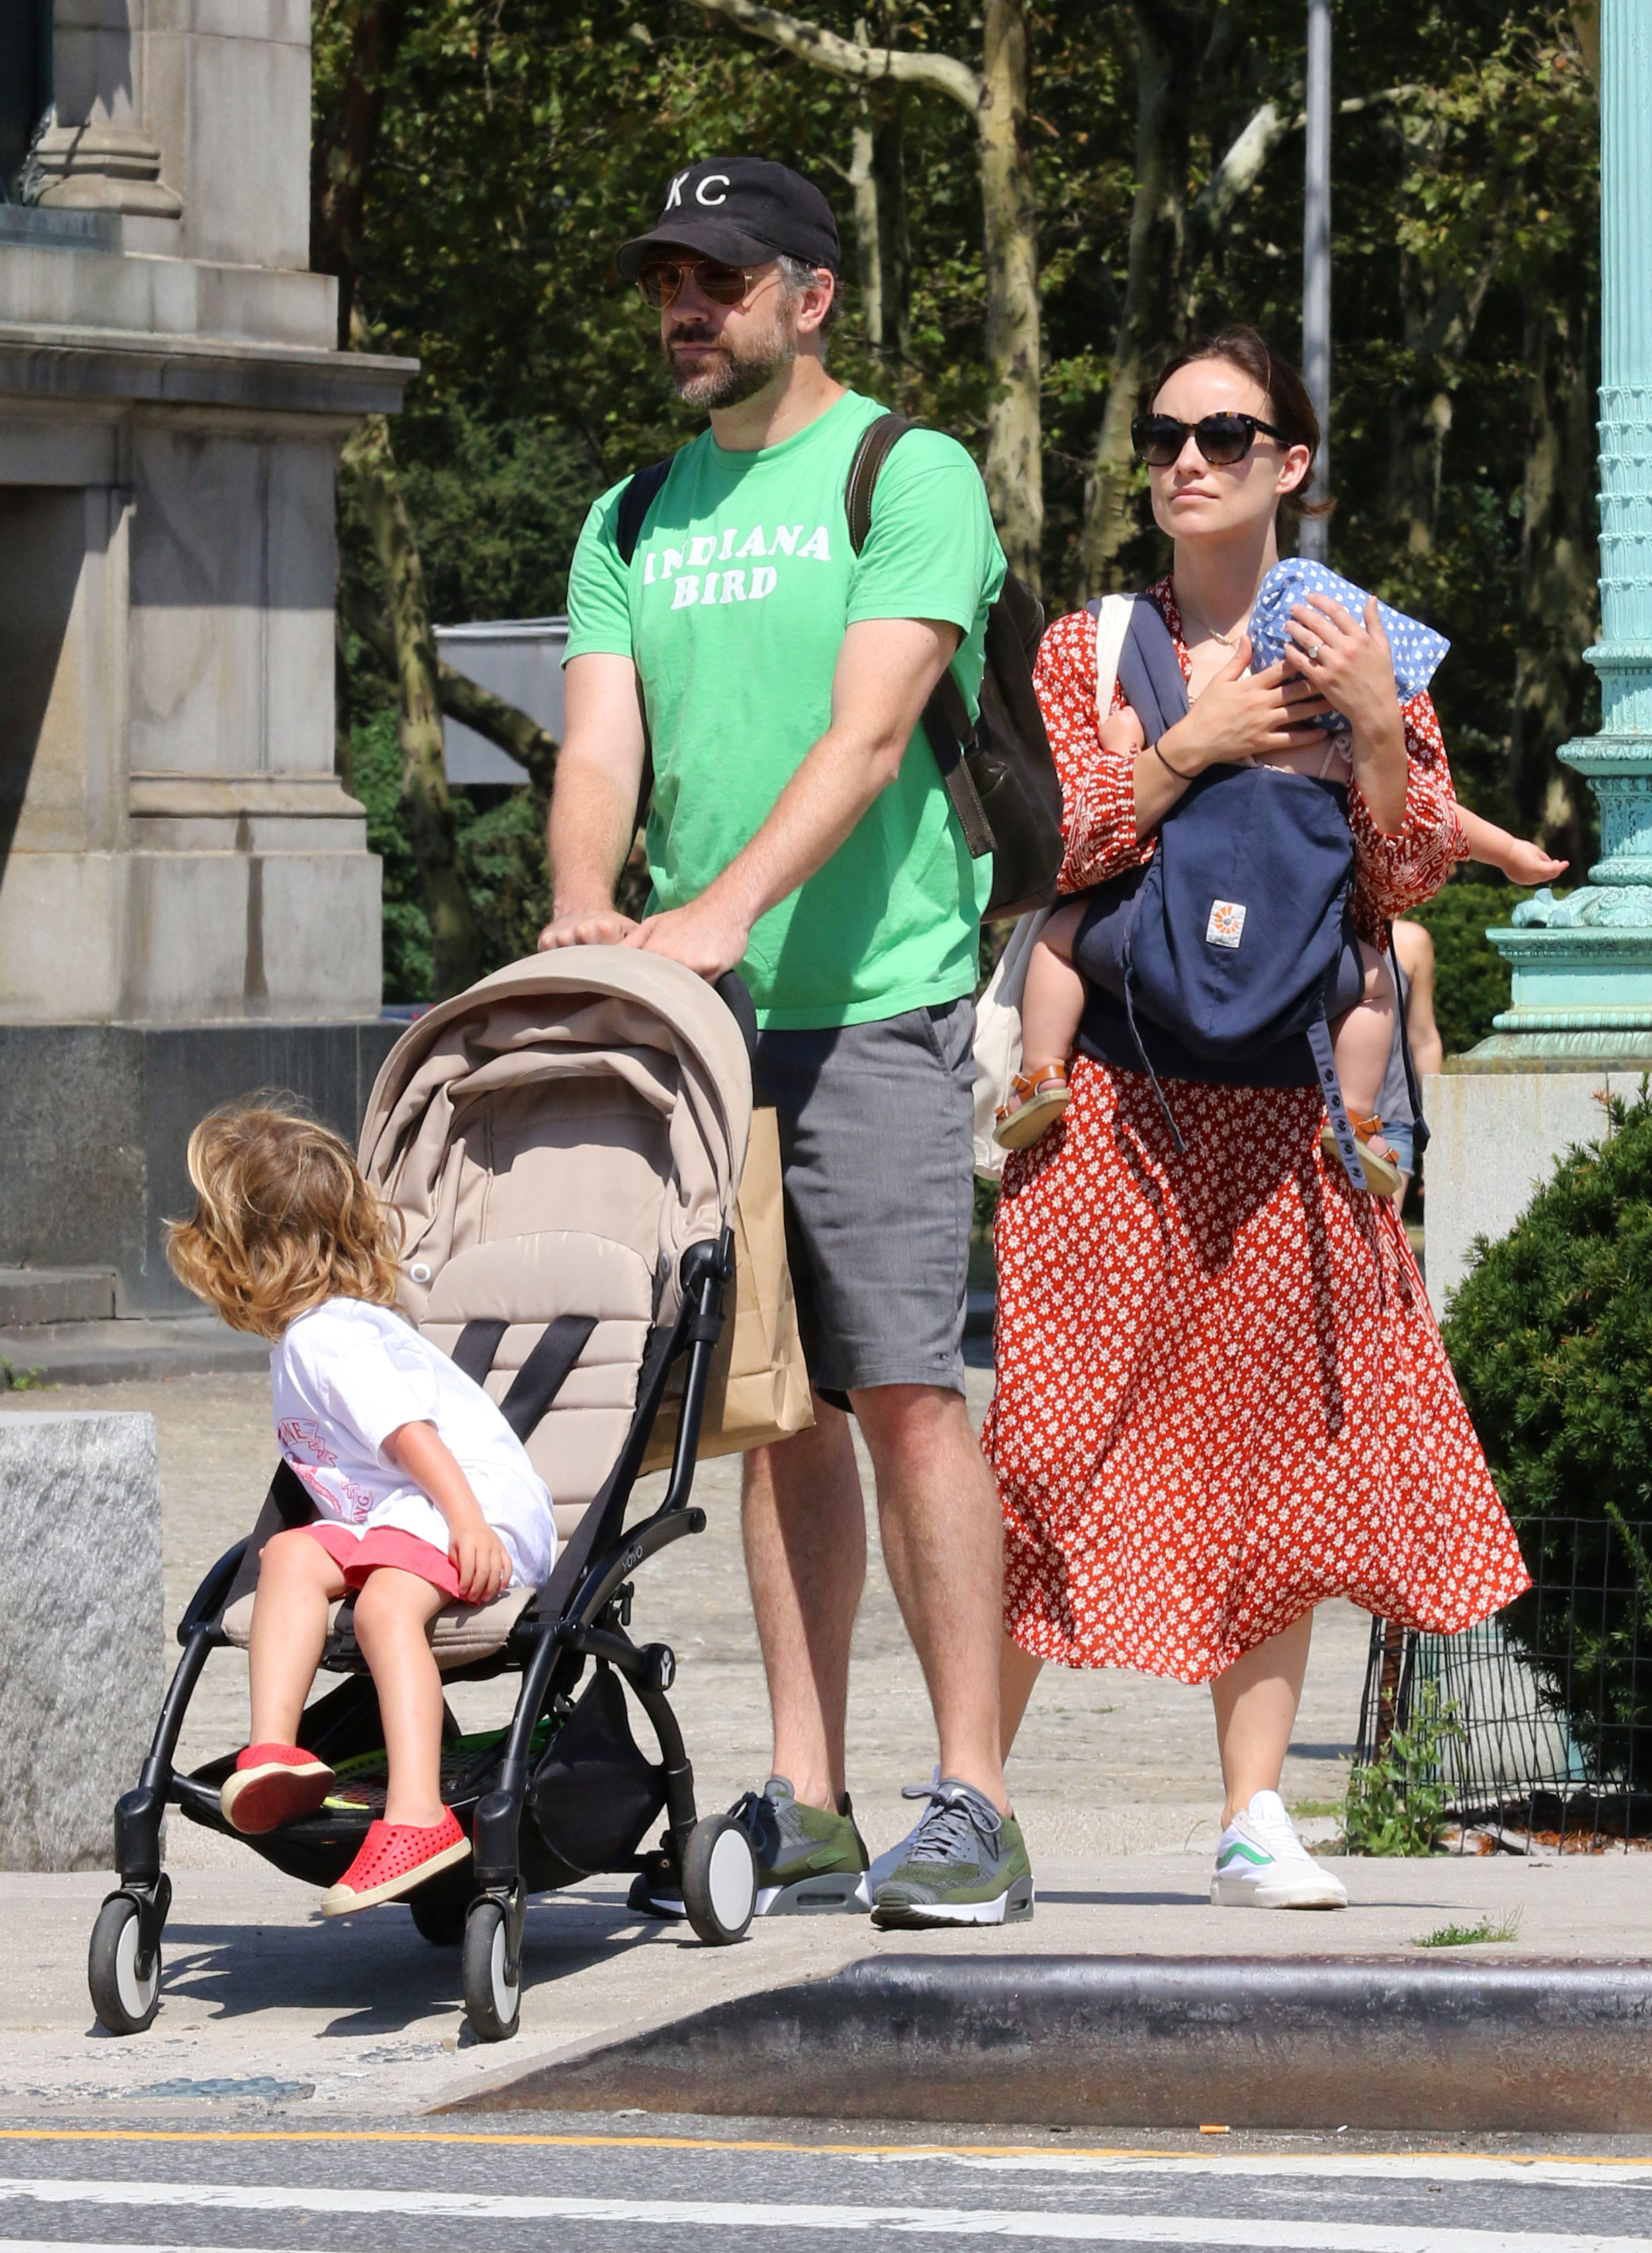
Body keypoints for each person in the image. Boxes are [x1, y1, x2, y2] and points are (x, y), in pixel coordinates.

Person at [538, 157, 1031, 1929]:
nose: (685, 306)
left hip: (877, 999)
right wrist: (583, 901)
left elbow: (872, 731)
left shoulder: (909, 474)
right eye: (665, 279)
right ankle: (808, 1795)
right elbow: (602, 746)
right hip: (702, 1027)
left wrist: (729, 904)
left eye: (719, 278)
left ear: (809, 298)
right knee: (775, 1412)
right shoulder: (628, 516)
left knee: (904, 1393)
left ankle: (974, 1803)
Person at [984, 326, 1531, 1910]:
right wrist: (1191, 744)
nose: (1185, 462)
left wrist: (1376, 728)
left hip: (1285, 1115)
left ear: (1288, 464)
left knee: (1274, 1461)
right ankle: (972, 1795)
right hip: (1108, 1109)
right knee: (1044, 1449)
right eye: (1163, 436)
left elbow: (1401, 882)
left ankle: (1252, 1815)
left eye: (1222, 436)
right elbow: (1045, 851)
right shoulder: (1088, 649)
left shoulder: (1365, 648)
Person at [166, 1105, 557, 1914]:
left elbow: (412, 1437)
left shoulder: (330, 1339)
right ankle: (276, 1751)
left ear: (248, 1252)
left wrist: (468, 1522)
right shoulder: (307, 1337)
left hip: (469, 1506)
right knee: (287, 1556)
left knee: (383, 1608)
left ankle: (417, 1817)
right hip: (402, 1518)